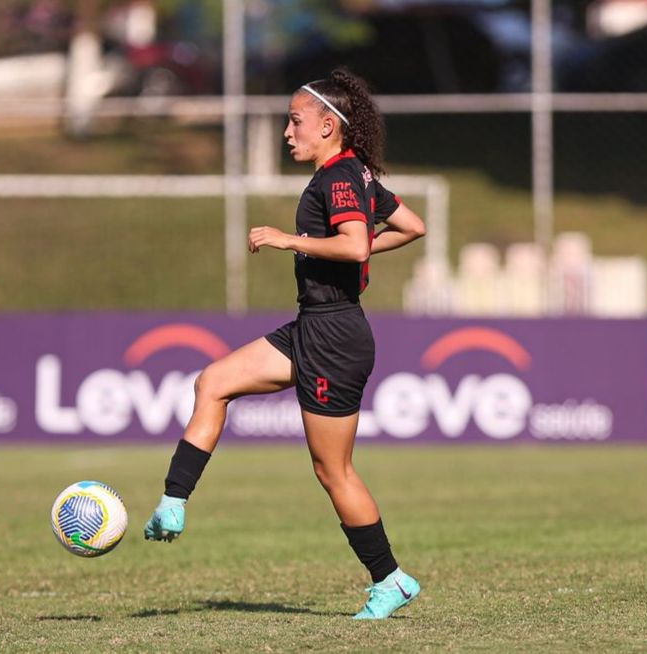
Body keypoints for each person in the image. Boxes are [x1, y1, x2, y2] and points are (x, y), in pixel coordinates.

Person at [144, 67, 427, 620]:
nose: (287, 132)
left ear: (329, 125)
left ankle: (390, 579)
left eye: (295, 121)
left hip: (334, 336)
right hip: (312, 327)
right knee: (214, 381)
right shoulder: (354, 174)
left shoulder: (341, 179)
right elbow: (411, 226)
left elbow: (354, 248)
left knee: (333, 472)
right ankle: (173, 502)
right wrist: (355, 240)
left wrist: (286, 239)